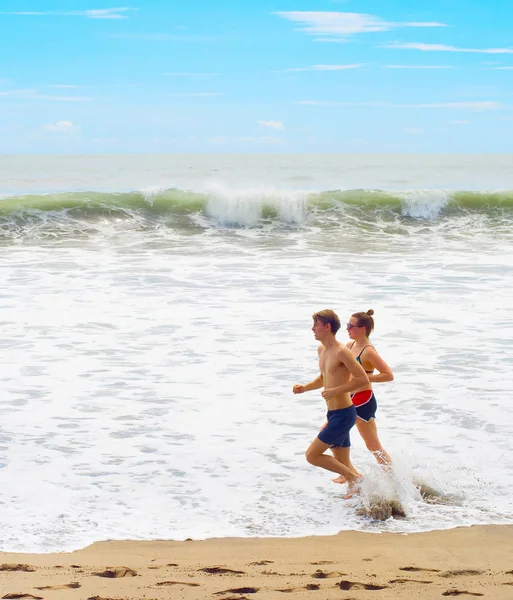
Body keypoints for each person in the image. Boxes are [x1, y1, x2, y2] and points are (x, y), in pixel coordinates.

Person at [293, 309, 370, 498]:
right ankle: (369, 494)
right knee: (343, 463)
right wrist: (305, 388)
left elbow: (362, 379)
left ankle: (355, 479)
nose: (312, 329)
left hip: (344, 414)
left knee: (312, 456)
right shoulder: (322, 350)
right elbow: (324, 377)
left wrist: (336, 390)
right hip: (333, 413)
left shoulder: (342, 351)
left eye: (316, 325)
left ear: (327, 327)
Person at [332, 309, 394, 484]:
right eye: (347, 325)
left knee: (372, 445)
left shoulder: (368, 352)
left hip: (363, 400)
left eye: (351, 326)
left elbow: (388, 375)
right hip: (349, 398)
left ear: (363, 329)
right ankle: (348, 473)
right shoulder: (349, 345)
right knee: (338, 436)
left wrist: (366, 378)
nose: (347, 329)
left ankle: (392, 478)